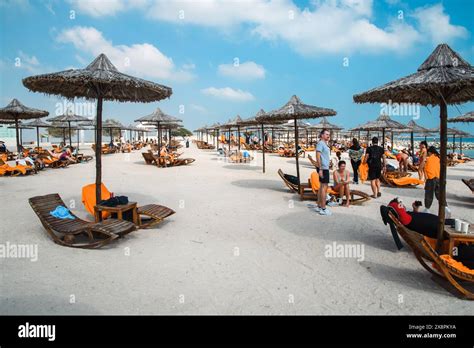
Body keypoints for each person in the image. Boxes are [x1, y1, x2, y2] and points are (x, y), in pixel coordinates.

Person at [424, 146, 446, 210]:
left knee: (429, 195)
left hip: (431, 178)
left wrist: (427, 178)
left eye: (428, 153)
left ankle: (427, 209)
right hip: (439, 178)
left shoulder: (429, 159)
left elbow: (427, 169)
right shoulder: (438, 158)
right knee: (440, 194)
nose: (427, 154)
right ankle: (446, 207)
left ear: (430, 152)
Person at [315, 129, 331, 216]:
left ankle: (319, 206)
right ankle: (323, 208)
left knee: (322, 187)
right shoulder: (321, 143)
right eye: (326, 134)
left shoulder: (324, 144)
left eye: (329, 134)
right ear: (322, 135)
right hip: (323, 168)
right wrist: (320, 168)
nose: (328, 136)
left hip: (325, 167)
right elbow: (317, 155)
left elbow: (323, 156)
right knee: (324, 188)